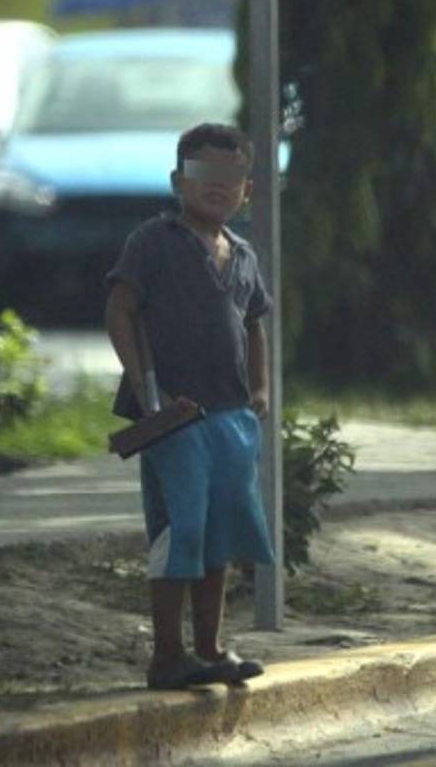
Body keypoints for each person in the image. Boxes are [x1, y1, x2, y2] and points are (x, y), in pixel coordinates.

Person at [105, 122, 275, 691]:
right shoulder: (154, 240)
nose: (218, 185)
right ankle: (167, 655)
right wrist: (144, 389)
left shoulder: (243, 256)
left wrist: (260, 389)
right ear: (179, 181)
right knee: (180, 529)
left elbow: (254, 325)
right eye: (204, 173)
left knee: (220, 531)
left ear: (247, 189)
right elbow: (120, 309)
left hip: (231, 416)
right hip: (173, 416)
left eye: (231, 175)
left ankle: (210, 647)